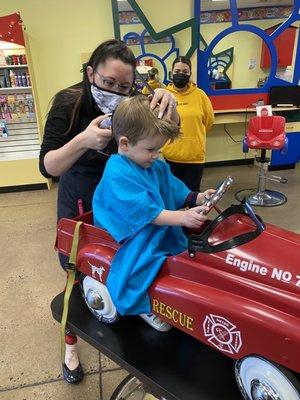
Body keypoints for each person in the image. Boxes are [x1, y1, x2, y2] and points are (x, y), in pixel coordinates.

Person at [39, 39, 179, 384]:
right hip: (83, 197)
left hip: (126, 196)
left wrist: (171, 102)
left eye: (124, 86)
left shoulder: (135, 99)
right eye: (108, 83)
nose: (115, 91)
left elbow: (164, 133)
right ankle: (71, 343)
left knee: (129, 263)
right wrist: (82, 141)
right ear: (91, 73)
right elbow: (48, 167)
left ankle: (130, 312)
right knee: (80, 270)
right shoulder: (69, 103)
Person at [92, 95, 214, 331]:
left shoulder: (152, 162)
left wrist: (197, 197)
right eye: (151, 149)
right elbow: (143, 212)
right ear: (125, 143)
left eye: (159, 149)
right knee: (144, 259)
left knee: (177, 245)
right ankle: (141, 305)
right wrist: (182, 217)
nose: (156, 155)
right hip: (128, 230)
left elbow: (171, 186)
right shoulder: (117, 171)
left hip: (150, 221)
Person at [161, 56, 215, 191]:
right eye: (177, 71)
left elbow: (209, 121)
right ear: (171, 73)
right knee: (174, 193)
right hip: (171, 155)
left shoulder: (200, 95)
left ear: (190, 73)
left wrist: (196, 136)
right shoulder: (165, 95)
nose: (181, 75)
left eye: (185, 72)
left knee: (192, 194)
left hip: (195, 156)